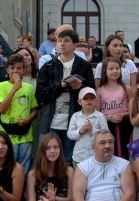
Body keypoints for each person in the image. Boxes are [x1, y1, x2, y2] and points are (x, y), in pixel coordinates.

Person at [35, 29, 96, 163]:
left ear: (75, 45)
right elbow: (40, 95)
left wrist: (80, 89)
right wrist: (61, 85)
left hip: (75, 121)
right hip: (51, 120)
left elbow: (91, 93)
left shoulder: (84, 66)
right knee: (49, 159)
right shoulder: (48, 66)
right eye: (59, 41)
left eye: (66, 41)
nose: (62, 44)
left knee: (70, 159)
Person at [69, 130, 136, 201]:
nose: (107, 146)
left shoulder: (123, 165)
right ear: (93, 147)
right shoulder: (83, 166)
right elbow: (77, 197)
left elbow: (130, 195)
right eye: (102, 143)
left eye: (110, 142)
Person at [0, 54, 39, 174]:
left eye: (19, 68)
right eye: (12, 68)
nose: (15, 71)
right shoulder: (1, 86)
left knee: (24, 166)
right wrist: (14, 88)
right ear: (7, 69)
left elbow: (34, 109)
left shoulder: (29, 87)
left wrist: (27, 120)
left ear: (24, 70)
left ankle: (22, 190)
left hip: (25, 134)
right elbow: (2, 109)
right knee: (8, 164)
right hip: (7, 134)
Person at [26, 134, 74, 201]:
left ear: (60, 149)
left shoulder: (68, 171)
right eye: (48, 148)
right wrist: (43, 200)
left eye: (55, 147)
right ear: (43, 151)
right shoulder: (33, 174)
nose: (52, 151)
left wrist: (55, 198)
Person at [97, 57, 133, 159]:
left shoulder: (127, 89)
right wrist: (109, 117)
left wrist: (123, 115)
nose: (115, 71)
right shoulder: (100, 91)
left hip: (125, 125)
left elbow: (133, 110)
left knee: (125, 151)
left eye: (117, 68)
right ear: (105, 71)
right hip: (107, 125)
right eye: (111, 69)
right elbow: (97, 112)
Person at [67, 87, 109, 167]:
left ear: (96, 101)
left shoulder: (100, 116)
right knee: (79, 179)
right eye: (85, 98)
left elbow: (106, 135)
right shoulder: (75, 116)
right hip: (78, 157)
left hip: (95, 156)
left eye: (92, 98)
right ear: (80, 102)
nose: (89, 100)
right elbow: (70, 134)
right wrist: (80, 131)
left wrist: (92, 130)